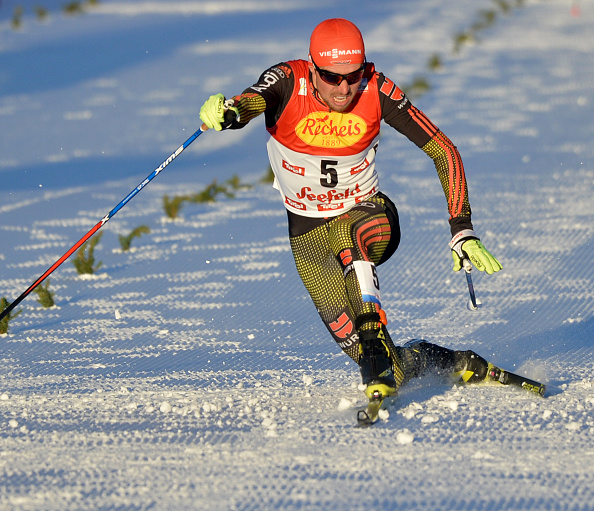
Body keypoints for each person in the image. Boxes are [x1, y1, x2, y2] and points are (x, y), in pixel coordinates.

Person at [199, 18, 502, 402]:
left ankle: (374, 346)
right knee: (379, 359)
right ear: (312, 69)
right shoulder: (288, 81)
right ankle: (437, 359)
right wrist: (228, 111)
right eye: (331, 76)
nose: (344, 88)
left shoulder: (377, 89)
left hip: (369, 215)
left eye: (353, 75)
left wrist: (462, 227)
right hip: (308, 236)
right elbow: (251, 102)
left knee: (348, 234)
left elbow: (443, 149)